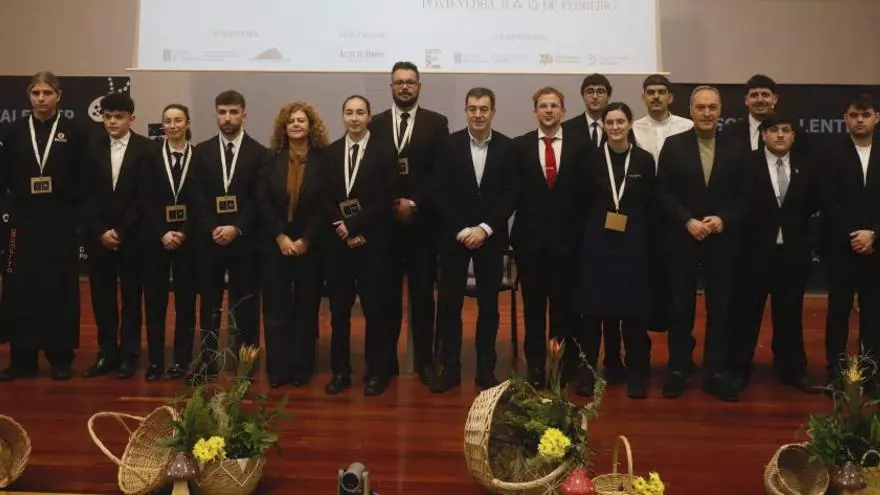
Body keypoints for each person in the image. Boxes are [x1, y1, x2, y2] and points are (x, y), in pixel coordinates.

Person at [656, 85, 748, 402]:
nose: (706, 113)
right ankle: (678, 370)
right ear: (691, 111)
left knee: (720, 309)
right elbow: (662, 192)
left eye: (712, 107)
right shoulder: (674, 145)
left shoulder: (737, 147)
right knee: (680, 308)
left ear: (720, 111)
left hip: (721, 241)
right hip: (683, 238)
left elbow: (747, 196)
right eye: (701, 107)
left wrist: (724, 219)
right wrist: (686, 220)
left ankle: (715, 373)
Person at [0, 71, 89, 381]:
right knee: (20, 290)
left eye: (47, 93)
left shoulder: (75, 133)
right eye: (36, 93)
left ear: (58, 96)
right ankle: (22, 360)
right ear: (29, 95)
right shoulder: (12, 132)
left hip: (60, 223)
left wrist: (76, 219)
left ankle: (60, 358)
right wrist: (6, 214)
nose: (41, 98)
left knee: (60, 290)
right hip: (22, 225)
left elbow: (84, 181)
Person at [368, 61, 449, 385]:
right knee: (384, 299)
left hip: (422, 225)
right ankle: (385, 365)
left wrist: (413, 202)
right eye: (399, 82)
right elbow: (370, 173)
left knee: (422, 298)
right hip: (385, 226)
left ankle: (425, 363)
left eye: (410, 82)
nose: (404, 87)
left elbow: (440, 173)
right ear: (391, 86)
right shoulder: (375, 123)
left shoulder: (436, 123)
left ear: (419, 86)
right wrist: (392, 203)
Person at [431, 87, 515, 393]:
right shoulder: (448, 145)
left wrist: (484, 228)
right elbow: (439, 192)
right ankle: (450, 369)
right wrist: (462, 230)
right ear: (465, 111)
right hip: (454, 239)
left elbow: (512, 193)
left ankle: (485, 370)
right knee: (449, 306)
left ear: (493, 112)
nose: (478, 114)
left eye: (484, 109)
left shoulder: (508, 147)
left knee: (489, 307)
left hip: (490, 239)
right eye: (472, 109)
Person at [728, 113, 818, 394]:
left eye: (786, 130)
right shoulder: (745, 164)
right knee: (747, 314)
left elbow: (813, 206)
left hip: (792, 253)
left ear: (793, 135)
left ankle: (792, 369)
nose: (780, 135)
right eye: (774, 130)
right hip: (753, 253)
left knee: (790, 314)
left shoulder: (806, 165)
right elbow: (737, 204)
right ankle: (739, 369)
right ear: (763, 134)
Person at [574, 102, 655, 399]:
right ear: (604, 126)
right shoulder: (592, 159)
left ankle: (635, 374)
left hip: (633, 247)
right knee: (592, 314)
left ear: (629, 123)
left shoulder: (644, 160)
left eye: (621, 121)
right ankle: (588, 373)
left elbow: (650, 203)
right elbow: (581, 201)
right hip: (597, 246)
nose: (615, 127)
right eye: (610, 122)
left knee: (633, 314)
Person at [510, 86, 587, 389]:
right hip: (531, 245)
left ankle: (559, 367)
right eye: (543, 105)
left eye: (554, 105)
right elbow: (513, 193)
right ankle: (535, 367)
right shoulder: (520, 146)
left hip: (568, 245)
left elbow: (585, 196)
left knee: (562, 311)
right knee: (533, 311)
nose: (549, 110)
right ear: (535, 111)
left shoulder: (580, 146)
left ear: (563, 111)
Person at [321, 95, 397, 396]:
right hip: (339, 246)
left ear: (369, 117)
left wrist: (355, 227)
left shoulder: (384, 151)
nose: (354, 118)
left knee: (375, 310)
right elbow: (324, 196)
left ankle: (376, 372)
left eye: (360, 113)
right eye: (349, 112)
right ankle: (340, 372)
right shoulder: (330, 152)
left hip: (372, 243)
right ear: (343, 116)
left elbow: (385, 198)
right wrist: (343, 229)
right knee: (339, 312)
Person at [192, 90, 269, 378]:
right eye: (222, 112)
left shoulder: (260, 153)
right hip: (210, 240)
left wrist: (236, 227)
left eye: (233, 112)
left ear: (243, 114)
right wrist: (213, 227)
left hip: (244, 240)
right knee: (209, 304)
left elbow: (259, 198)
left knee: (246, 304)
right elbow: (196, 195)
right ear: (216, 114)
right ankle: (208, 359)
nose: (227, 118)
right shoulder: (201, 151)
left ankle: (245, 361)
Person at [81, 92, 154, 380]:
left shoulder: (146, 149)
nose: (112, 121)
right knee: (102, 297)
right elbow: (85, 195)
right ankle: (106, 352)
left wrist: (121, 230)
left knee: (132, 297)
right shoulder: (90, 147)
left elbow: (144, 197)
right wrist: (101, 230)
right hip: (98, 237)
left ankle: (129, 354)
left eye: (118, 117)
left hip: (132, 237)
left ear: (131, 119)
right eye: (108, 116)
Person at [257, 101, 329, 388]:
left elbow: (326, 205)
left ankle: (301, 369)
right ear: (283, 128)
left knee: (306, 309)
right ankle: (277, 370)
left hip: (310, 245)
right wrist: (280, 236)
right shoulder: (270, 158)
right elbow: (261, 201)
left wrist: (306, 239)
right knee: (275, 310)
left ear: (311, 126)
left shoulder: (324, 160)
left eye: (301, 120)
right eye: (291, 121)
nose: (296, 124)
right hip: (276, 243)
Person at [561, 73, 624, 380]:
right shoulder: (568, 129)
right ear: (583, 96)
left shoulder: (621, 128)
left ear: (608, 95)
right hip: (578, 229)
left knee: (612, 297)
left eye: (601, 91)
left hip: (614, 232)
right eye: (590, 91)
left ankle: (613, 359)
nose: (595, 96)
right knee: (580, 298)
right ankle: (577, 359)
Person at [820, 94, 880, 385]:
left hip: (877, 246)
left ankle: (870, 373)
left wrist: (873, 234)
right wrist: (855, 235)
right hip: (840, 246)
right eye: (854, 115)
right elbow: (827, 199)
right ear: (845, 119)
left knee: (874, 312)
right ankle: (836, 370)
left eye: (865, 115)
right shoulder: (830, 152)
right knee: (838, 311)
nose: (859, 120)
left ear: (876, 118)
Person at [141, 103, 202, 381]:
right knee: (155, 303)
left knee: (186, 304)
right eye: (168, 120)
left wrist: (184, 232)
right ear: (162, 125)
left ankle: (181, 360)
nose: (173, 125)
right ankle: (155, 361)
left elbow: (201, 203)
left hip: (189, 241)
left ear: (187, 123)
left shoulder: (199, 156)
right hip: (157, 240)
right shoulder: (150, 157)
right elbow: (145, 199)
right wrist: (162, 232)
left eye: (178, 120)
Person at [632, 74, 694, 338]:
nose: (656, 96)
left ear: (670, 97)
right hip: (645, 213)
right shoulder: (633, 128)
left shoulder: (688, 126)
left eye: (661, 92)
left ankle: (682, 343)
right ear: (643, 97)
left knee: (679, 281)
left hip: (680, 212)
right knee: (646, 277)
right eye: (650, 92)